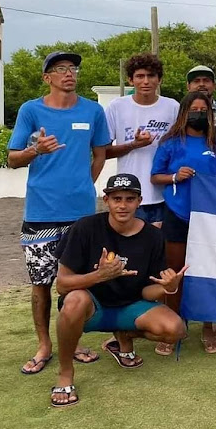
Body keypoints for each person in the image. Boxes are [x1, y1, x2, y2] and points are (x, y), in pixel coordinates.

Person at [7, 51, 111, 375]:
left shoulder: (93, 111)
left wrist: (83, 184)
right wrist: (35, 149)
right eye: (60, 69)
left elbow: (100, 154)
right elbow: (12, 159)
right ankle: (44, 346)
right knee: (41, 284)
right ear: (46, 77)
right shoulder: (30, 110)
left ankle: (73, 340)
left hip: (81, 214)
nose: (69, 74)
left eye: (73, 69)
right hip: (41, 213)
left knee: (76, 284)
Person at [50, 174, 187, 407]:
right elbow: (62, 285)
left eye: (130, 199)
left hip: (130, 306)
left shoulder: (153, 236)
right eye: (117, 199)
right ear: (106, 200)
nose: (123, 205)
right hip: (93, 306)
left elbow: (147, 292)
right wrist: (99, 276)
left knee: (176, 330)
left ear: (140, 201)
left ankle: (122, 336)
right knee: (73, 301)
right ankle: (65, 374)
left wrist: (169, 288)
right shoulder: (85, 227)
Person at [150, 91, 216, 354]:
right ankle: (173, 327)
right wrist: (175, 176)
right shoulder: (171, 143)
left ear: (210, 114)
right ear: (184, 113)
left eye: (203, 109)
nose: (198, 114)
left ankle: (207, 328)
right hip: (176, 214)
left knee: (205, 272)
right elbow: (155, 177)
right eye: (193, 109)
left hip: (207, 219)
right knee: (174, 273)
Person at [105, 53, 179, 226]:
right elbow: (103, 152)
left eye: (151, 75)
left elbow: (180, 148)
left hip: (165, 195)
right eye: (139, 76)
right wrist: (134, 145)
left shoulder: (173, 107)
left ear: (159, 79)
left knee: (161, 250)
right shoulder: (117, 107)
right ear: (131, 80)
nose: (145, 81)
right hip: (130, 196)